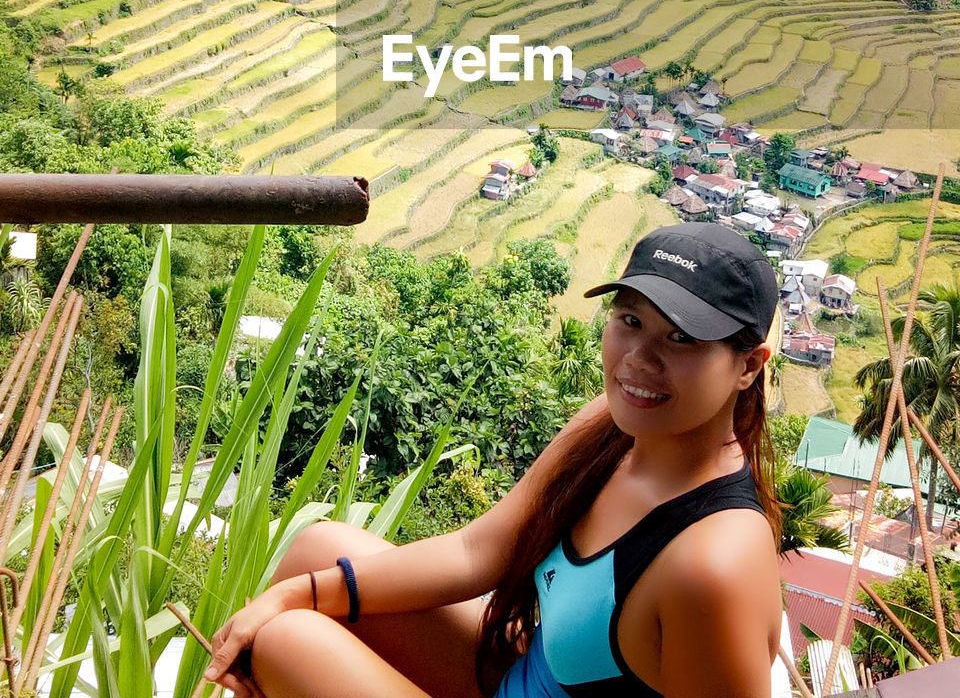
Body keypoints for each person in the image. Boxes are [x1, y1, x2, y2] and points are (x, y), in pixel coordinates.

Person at [204, 222, 784, 698]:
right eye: (630, 322)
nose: (639, 359)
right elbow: (476, 551)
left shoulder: (710, 566)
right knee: (315, 555)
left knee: (287, 641)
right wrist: (294, 592)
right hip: (515, 678)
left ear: (748, 365)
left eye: (681, 339)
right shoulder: (612, 427)